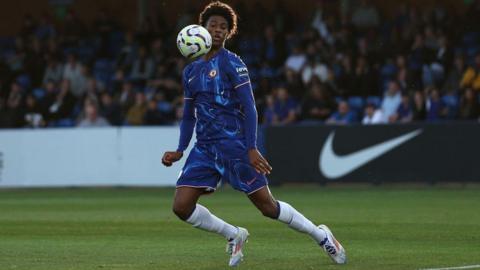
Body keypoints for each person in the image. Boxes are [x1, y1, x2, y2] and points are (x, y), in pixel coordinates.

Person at [161, 1, 346, 267]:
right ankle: (234, 235)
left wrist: (251, 147)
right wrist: (180, 149)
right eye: (212, 25)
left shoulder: (233, 63)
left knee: (268, 207)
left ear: (228, 33)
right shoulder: (190, 71)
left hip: (235, 146)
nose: (217, 30)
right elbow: (189, 114)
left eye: (223, 27)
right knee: (181, 206)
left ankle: (322, 236)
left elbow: (250, 107)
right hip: (204, 148)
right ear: (201, 28)